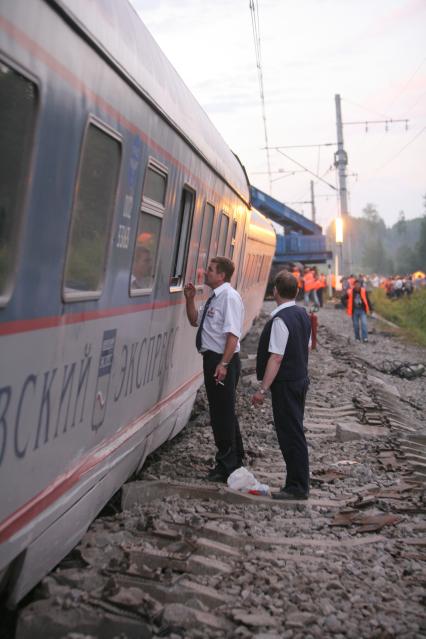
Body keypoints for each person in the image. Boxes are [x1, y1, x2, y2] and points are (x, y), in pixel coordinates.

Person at [184, 257, 245, 482]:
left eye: (210, 270)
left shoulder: (229, 298)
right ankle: (236, 459)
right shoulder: (214, 297)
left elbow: (233, 335)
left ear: (221, 275)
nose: (205, 273)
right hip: (213, 359)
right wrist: (189, 299)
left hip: (222, 360)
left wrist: (224, 364)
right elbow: (194, 321)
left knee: (221, 414)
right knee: (224, 410)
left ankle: (225, 465)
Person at [252, 270, 311, 500]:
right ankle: (298, 482)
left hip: (286, 383)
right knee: (295, 431)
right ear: (296, 291)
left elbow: (276, 357)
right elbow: (306, 348)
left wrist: (262, 390)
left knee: (290, 433)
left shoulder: (280, 320)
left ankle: (297, 486)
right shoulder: (302, 314)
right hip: (299, 379)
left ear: (275, 291)